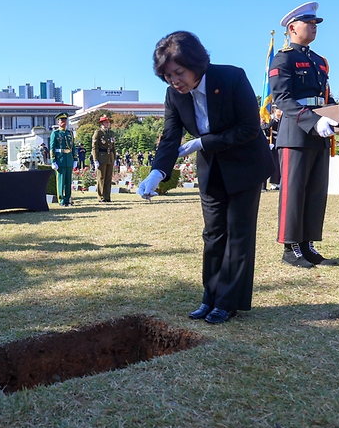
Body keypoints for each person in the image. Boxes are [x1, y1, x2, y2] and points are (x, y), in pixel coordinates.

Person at [137, 31, 272, 324]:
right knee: (212, 235)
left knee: (238, 234)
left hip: (245, 164)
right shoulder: (174, 94)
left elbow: (250, 128)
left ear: (196, 63)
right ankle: (209, 297)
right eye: (167, 76)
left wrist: (203, 142)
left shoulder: (232, 78)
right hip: (212, 170)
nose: (174, 81)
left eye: (178, 72)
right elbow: (171, 137)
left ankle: (228, 302)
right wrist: (157, 172)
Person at [270, 1, 339, 268]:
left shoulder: (319, 61)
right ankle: (290, 247)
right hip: (296, 133)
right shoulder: (284, 58)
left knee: (315, 190)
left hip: (320, 132)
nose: (313, 27)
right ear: (292, 27)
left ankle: (307, 244)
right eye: (309, 23)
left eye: (315, 24)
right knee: (294, 191)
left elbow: (325, 97)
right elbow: (283, 99)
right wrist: (313, 121)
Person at [50, 113, 75, 206]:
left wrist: (75, 159)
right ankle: (61, 200)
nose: (64, 123)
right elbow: (52, 148)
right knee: (61, 181)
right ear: (58, 122)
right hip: (60, 159)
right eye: (62, 121)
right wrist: (53, 161)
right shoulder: (55, 133)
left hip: (69, 159)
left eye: (65, 121)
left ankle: (68, 199)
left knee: (68, 181)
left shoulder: (70, 133)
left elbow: (73, 147)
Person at [92, 115, 116, 202]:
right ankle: (101, 197)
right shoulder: (98, 132)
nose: (108, 124)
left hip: (110, 157)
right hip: (101, 157)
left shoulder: (111, 133)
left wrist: (115, 158)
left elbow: (113, 146)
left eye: (108, 122)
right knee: (101, 178)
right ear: (102, 123)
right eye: (106, 122)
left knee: (108, 178)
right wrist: (95, 160)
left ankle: (107, 197)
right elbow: (94, 147)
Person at [261, 107, 282, 189]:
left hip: (278, 142)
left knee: (278, 162)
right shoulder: (270, 119)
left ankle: (277, 182)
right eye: (278, 109)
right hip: (271, 142)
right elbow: (264, 127)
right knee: (270, 163)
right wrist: (272, 122)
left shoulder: (281, 119)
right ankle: (268, 184)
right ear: (274, 110)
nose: (280, 111)